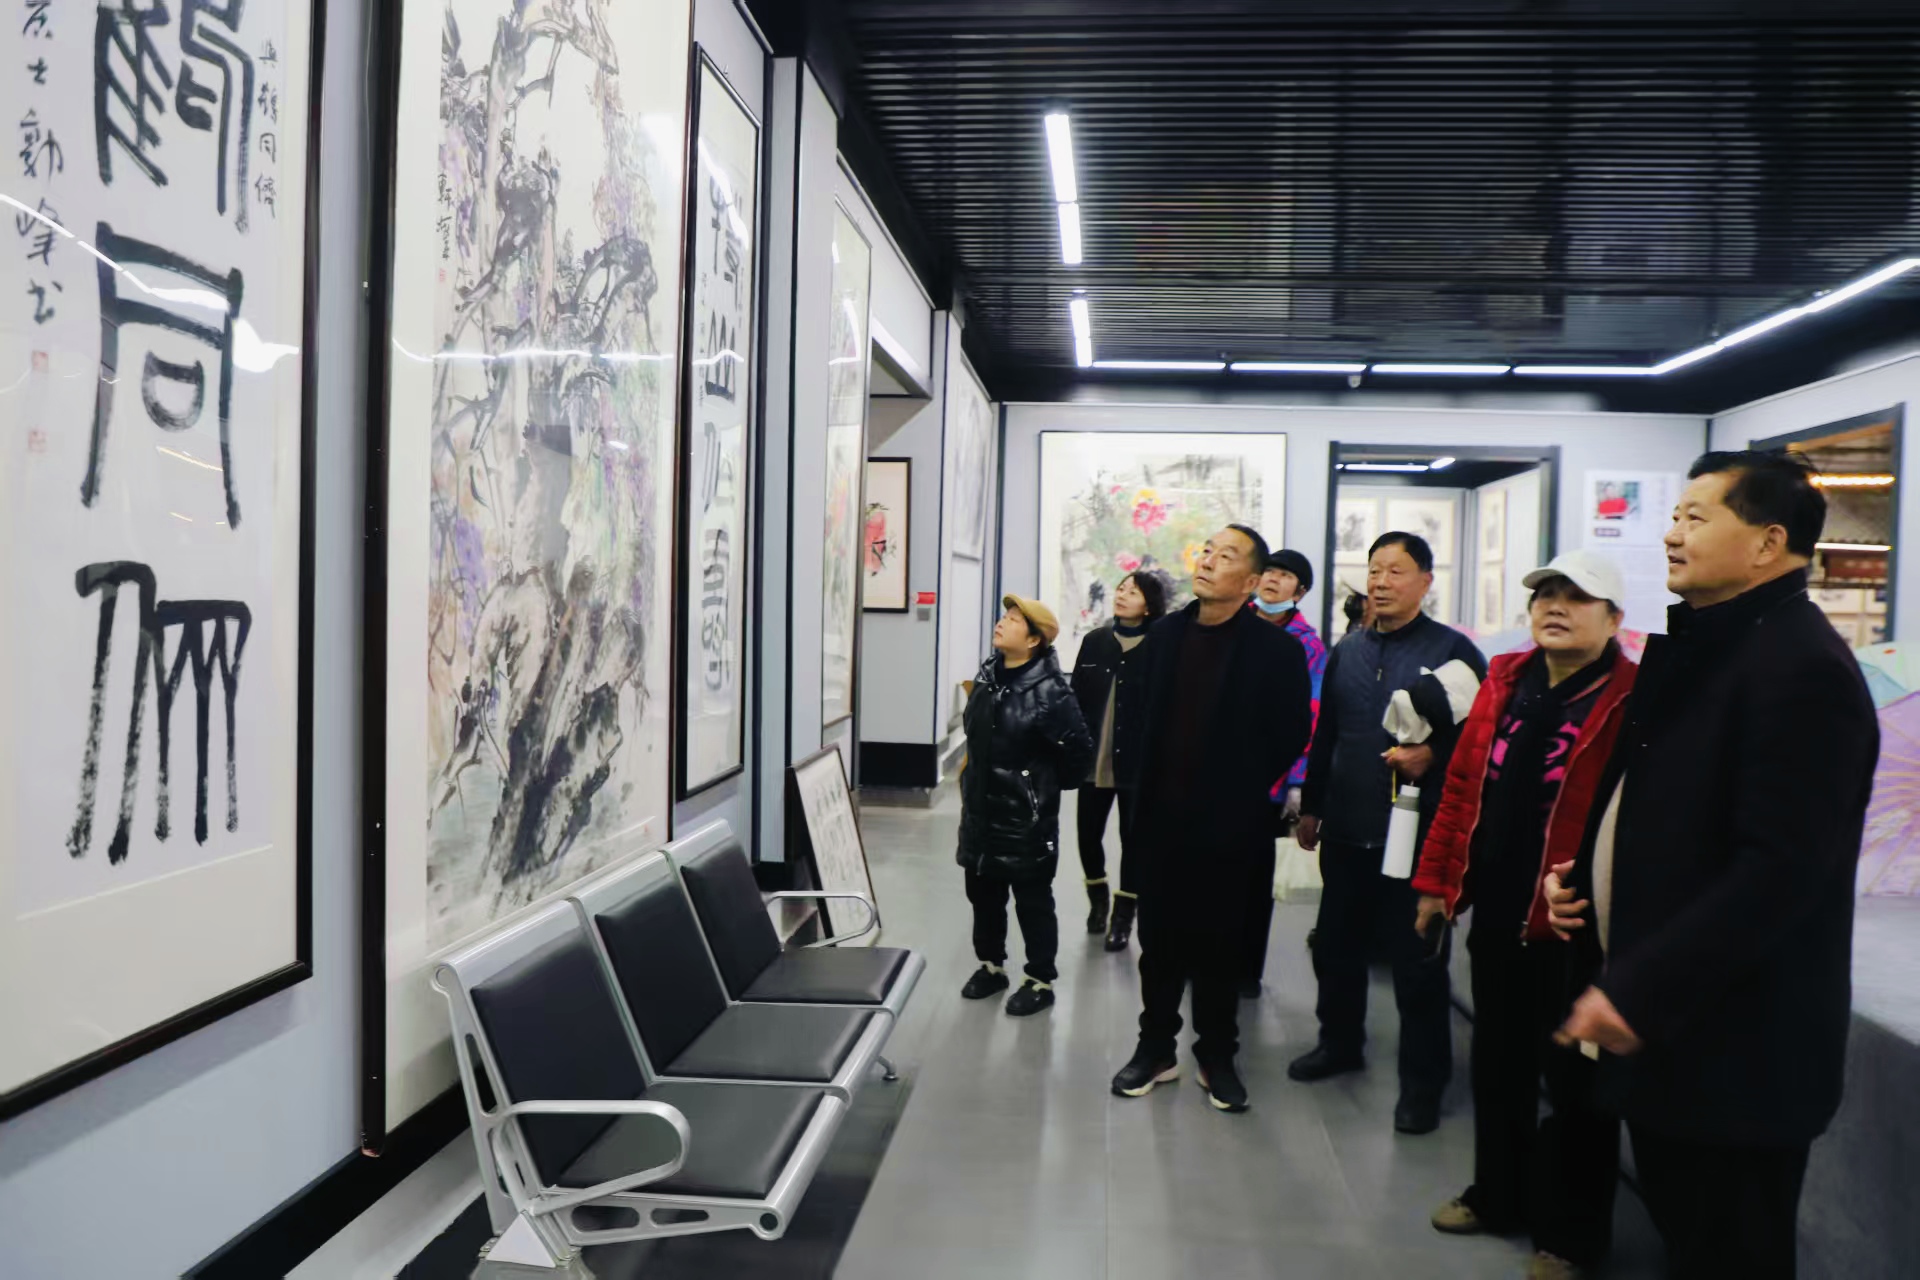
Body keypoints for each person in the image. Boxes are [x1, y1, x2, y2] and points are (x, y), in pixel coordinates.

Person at [1544, 452, 1878, 1279]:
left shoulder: (1801, 669)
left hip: (1736, 1057)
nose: (1671, 534)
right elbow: (1668, 810)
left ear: (1768, 543)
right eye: (1674, 515)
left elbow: (1779, 873)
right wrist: (1585, 880)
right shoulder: (1711, 648)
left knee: (1730, 1253)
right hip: (1676, 1040)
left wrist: (1637, 988)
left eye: (1696, 518)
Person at [1412, 552, 1638, 1280]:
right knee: (1498, 1063)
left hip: (1578, 925)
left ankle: (1568, 1239)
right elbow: (1460, 788)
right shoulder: (1506, 680)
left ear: (1614, 619)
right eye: (1546, 594)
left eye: (1577, 597)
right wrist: (1436, 885)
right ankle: (1496, 1195)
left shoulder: (1633, 696)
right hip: (1500, 909)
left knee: (1576, 1088)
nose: (1556, 607)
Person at [1109, 526, 1313, 1113]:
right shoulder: (1165, 635)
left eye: (1226, 557)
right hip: (1161, 819)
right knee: (1159, 943)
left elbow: (1291, 732)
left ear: (1250, 582)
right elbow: (1138, 715)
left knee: (1222, 945)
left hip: (1232, 824)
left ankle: (1217, 1054)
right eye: (1207, 552)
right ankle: (1156, 1048)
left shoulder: (1276, 651)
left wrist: (1241, 787)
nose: (1208, 562)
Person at [1292, 531, 1489, 1135]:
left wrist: (1434, 754)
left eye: (1395, 571)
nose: (1380, 582)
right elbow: (1328, 734)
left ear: (1425, 581)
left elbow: (1481, 737)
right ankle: (1339, 1044)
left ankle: (1422, 1086)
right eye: (1374, 570)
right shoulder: (1348, 649)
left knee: (1417, 963)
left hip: (1418, 836)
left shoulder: (1454, 651)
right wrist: (1312, 805)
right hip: (1347, 828)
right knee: (1336, 948)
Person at [956, 595, 1095, 1017]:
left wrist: (1038, 789)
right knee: (983, 894)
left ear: (1034, 640)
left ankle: (1039, 979)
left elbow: (1079, 754)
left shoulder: (1052, 692)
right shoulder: (987, 677)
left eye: (1014, 620)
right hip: (980, 812)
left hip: (1025, 818)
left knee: (1032, 900)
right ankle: (991, 966)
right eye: (1005, 616)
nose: (1002, 623)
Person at [1069, 570, 1170, 951]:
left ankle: (1124, 915)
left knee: (1135, 841)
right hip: (1093, 759)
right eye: (1121, 588)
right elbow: (1075, 698)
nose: (1123, 595)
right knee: (1087, 835)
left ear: (1150, 605)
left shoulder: (1161, 646)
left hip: (1138, 765)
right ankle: (1098, 900)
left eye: (1134, 591)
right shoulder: (1095, 641)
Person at [1243, 548, 1328, 997]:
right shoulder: (1233, 625)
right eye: (1269, 571)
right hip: (1218, 776)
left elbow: (1311, 717)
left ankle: (1245, 971)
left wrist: (1297, 780)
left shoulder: (1307, 646)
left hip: (1270, 782)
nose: (1273, 579)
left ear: (1301, 591)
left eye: (1285, 575)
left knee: (1254, 880)